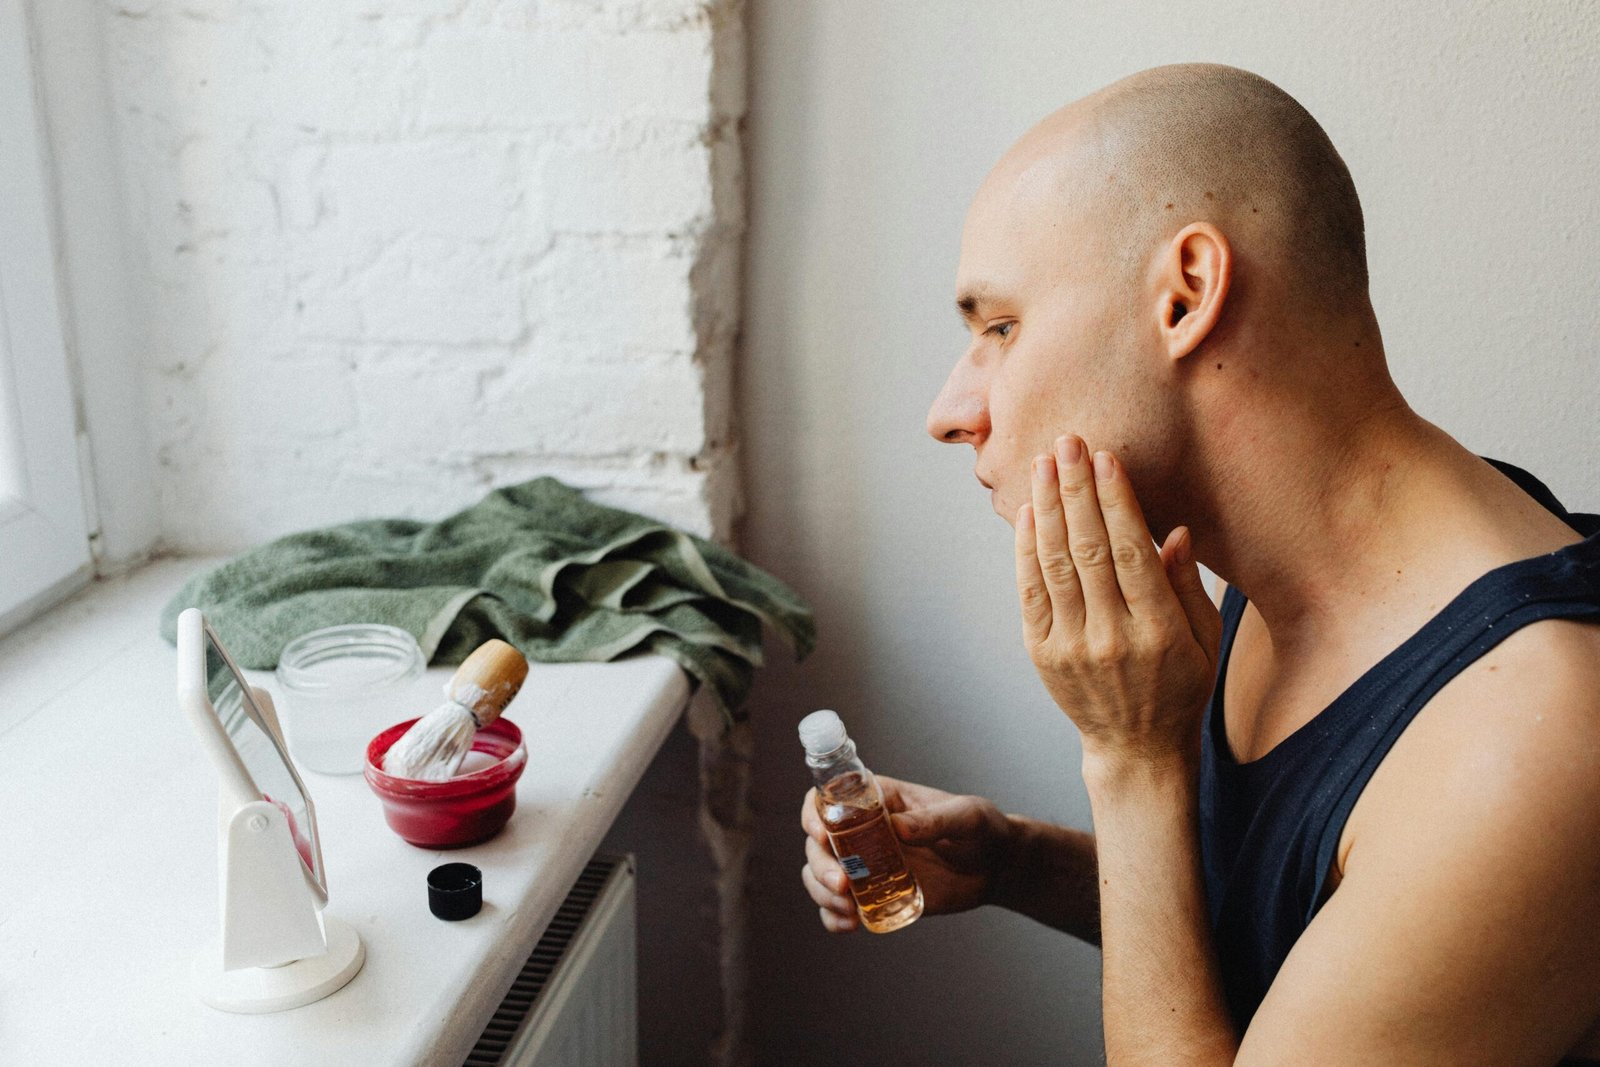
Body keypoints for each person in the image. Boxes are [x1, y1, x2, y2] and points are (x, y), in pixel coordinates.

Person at [799, 63, 1600, 1064]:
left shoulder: (1513, 744)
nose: (948, 411)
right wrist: (1015, 859)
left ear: (1185, 295)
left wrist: (1133, 765)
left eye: (1001, 327)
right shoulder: (1293, 567)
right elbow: (1304, 940)